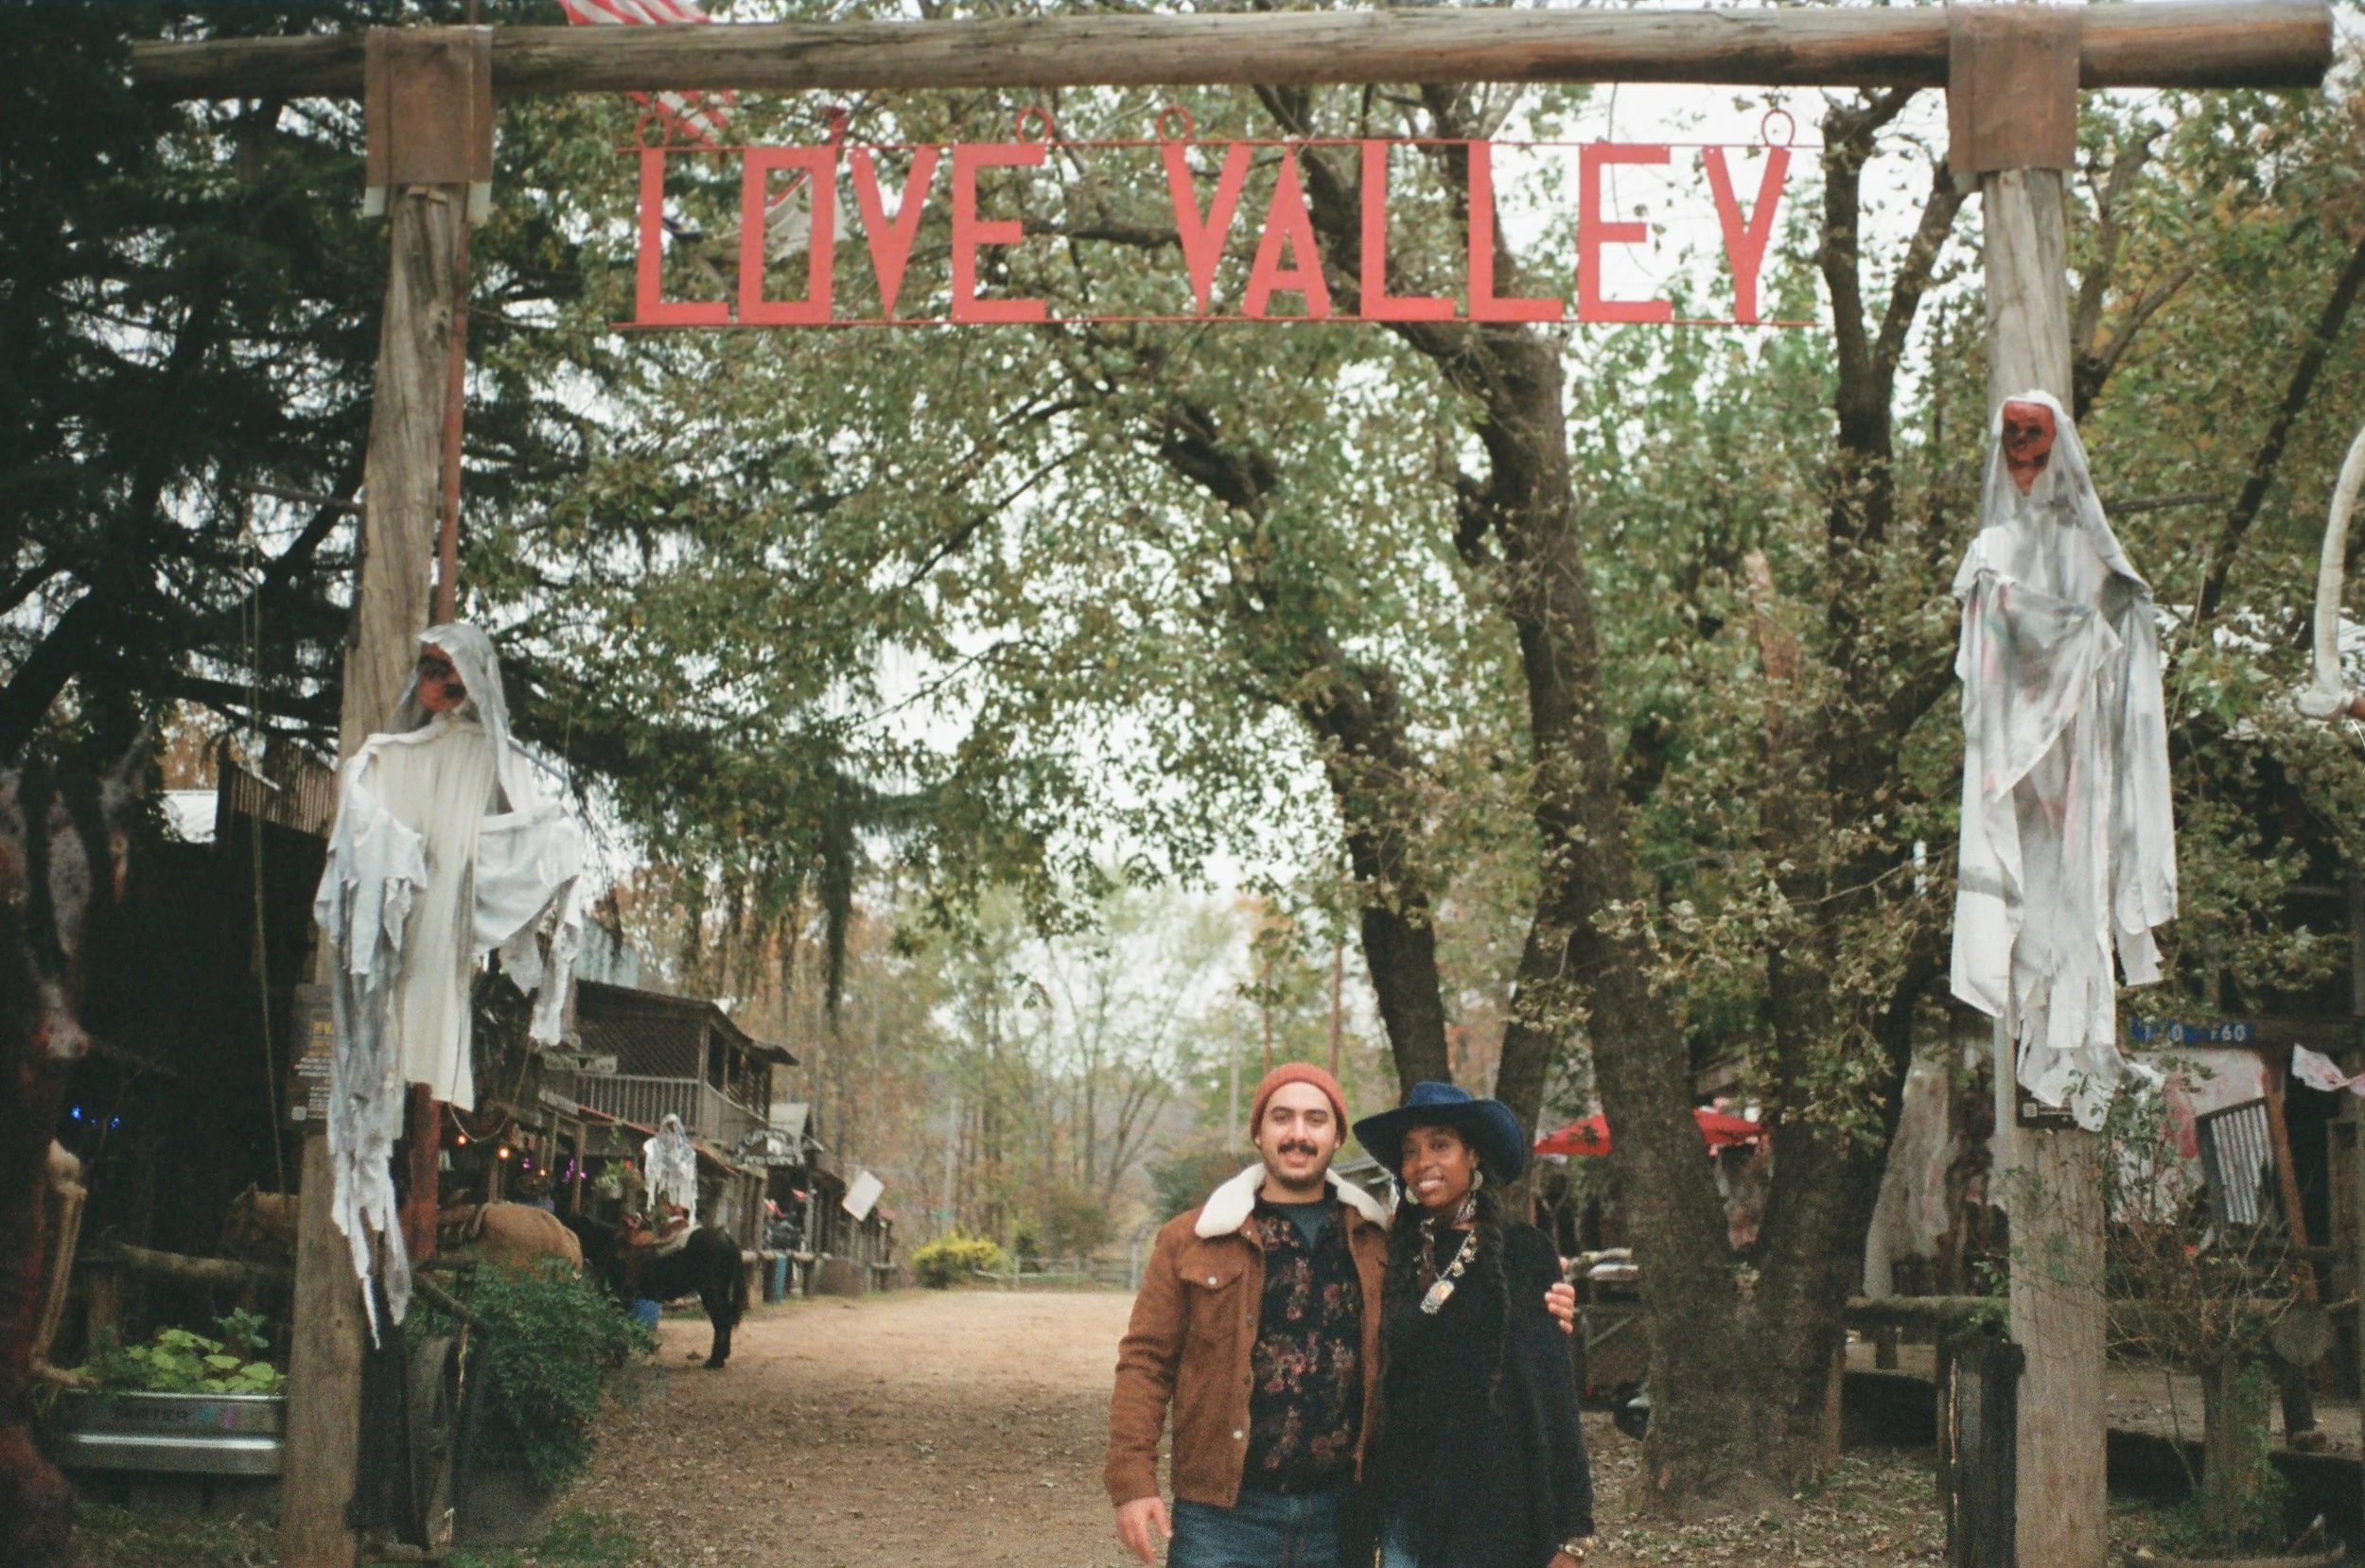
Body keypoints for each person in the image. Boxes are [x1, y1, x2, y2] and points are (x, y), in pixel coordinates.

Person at [1106, 1065, 1576, 1568]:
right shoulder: (1193, 1239)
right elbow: (1145, 1362)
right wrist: (1132, 1481)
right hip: (1222, 1520)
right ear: (1258, 1132)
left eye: (1316, 1119)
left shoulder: (1377, 1241)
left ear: (1336, 1138)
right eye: (1282, 1117)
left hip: (1337, 1521)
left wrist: (1539, 1297)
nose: (1298, 1134)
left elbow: (1451, 1323)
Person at [315, 623, 587, 1333]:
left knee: (421, 1039)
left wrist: (540, 852)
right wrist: (389, 851)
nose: (443, 687)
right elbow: (359, 831)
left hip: (441, 937)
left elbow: (530, 832)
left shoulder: (493, 763)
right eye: (430, 670)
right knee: (368, 1059)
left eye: (454, 673)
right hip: (391, 940)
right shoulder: (387, 761)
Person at [1354, 1082, 1596, 1568]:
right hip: (1407, 1520)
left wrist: (1573, 1529)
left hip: (1498, 1515)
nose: (1423, 1163)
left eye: (1440, 1145)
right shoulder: (1390, 1255)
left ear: (1473, 1155)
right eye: (1410, 1151)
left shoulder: (1523, 1253)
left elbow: (1552, 1391)